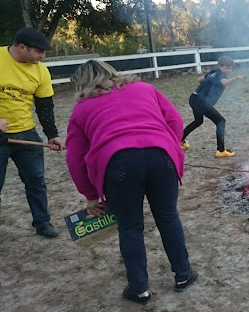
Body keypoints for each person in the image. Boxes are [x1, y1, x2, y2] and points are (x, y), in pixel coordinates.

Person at [65, 60, 197, 303]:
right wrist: (169, 145)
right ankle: (183, 274)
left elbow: (74, 158)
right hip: (161, 157)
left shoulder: (81, 109)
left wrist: (90, 194)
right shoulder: (145, 89)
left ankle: (139, 288)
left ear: (82, 82)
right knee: (168, 217)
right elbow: (176, 122)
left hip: (118, 164)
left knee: (130, 227)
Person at [0, 27, 65, 238]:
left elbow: (45, 106)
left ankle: (43, 222)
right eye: (39, 52)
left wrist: (51, 133)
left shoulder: (41, 71)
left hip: (26, 133)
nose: (42, 57)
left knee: (36, 180)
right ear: (22, 47)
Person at [180, 56, 245, 157]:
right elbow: (225, 83)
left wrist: (209, 82)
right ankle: (221, 150)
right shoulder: (221, 74)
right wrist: (237, 77)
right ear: (220, 66)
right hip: (200, 101)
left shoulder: (213, 73)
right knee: (220, 121)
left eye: (231, 68)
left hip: (193, 98)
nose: (229, 70)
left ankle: (179, 139)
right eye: (227, 68)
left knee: (198, 121)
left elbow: (199, 79)